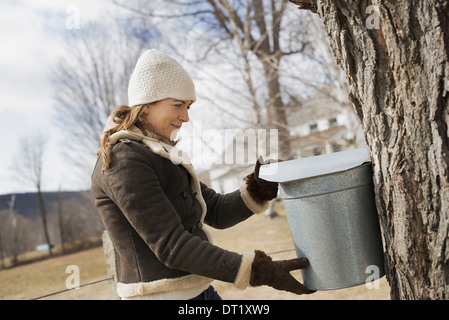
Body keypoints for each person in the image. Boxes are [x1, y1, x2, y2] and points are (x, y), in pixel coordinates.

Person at [91, 49, 314, 300]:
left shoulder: (161, 154)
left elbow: (216, 211)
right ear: (144, 108)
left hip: (200, 293)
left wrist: (259, 188)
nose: (185, 117)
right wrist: (260, 271)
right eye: (177, 105)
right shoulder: (125, 159)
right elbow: (171, 245)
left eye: (188, 106)